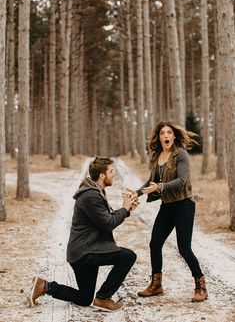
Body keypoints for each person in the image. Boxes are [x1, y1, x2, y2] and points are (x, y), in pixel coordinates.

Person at [29, 157, 138, 312]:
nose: (114, 175)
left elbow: (107, 218)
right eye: (111, 171)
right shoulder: (90, 196)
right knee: (128, 256)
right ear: (102, 175)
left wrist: (126, 210)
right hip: (86, 252)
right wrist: (124, 209)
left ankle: (45, 286)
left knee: (84, 298)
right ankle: (103, 298)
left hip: (85, 251)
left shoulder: (95, 192)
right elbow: (108, 223)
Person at [128, 121, 208, 303]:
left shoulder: (181, 154)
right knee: (155, 244)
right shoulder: (157, 156)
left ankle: (201, 286)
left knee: (184, 249)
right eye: (163, 133)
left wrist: (160, 186)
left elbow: (181, 181)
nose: (166, 136)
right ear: (159, 137)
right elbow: (151, 183)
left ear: (174, 136)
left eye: (169, 132)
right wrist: (136, 193)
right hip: (167, 206)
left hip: (184, 205)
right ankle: (156, 285)